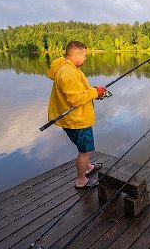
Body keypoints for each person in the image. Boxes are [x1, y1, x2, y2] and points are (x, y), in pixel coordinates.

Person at [47, 41, 106, 189]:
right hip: (77, 120)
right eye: (85, 55)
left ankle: (87, 168)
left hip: (76, 118)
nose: (86, 58)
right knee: (85, 150)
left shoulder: (69, 68)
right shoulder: (68, 72)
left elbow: (79, 91)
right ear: (76, 54)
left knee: (85, 148)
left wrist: (94, 91)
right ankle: (81, 180)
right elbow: (75, 99)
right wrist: (95, 92)